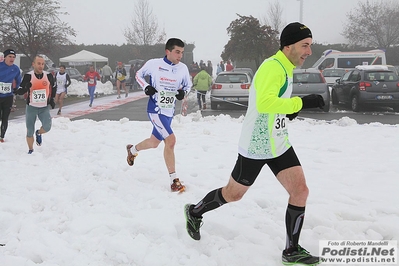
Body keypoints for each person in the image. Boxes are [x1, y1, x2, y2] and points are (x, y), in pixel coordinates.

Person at [184, 22, 325, 265]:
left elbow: (274, 102)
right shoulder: (273, 67)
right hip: (257, 145)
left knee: (300, 191)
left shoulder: (286, 66)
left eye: (310, 46)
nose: (309, 52)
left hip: (278, 143)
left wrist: (287, 112)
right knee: (233, 194)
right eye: (305, 46)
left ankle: (291, 251)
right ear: (288, 45)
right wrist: (300, 104)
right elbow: (265, 103)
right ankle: (195, 212)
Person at [126, 38, 192, 192]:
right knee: (171, 141)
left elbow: (188, 85)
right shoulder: (154, 64)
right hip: (155, 110)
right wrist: (146, 87)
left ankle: (132, 150)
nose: (180, 55)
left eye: (182, 52)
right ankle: (174, 180)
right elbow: (138, 75)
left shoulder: (183, 68)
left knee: (154, 142)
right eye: (177, 52)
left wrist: (183, 92)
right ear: (167, 51)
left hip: (169, 111)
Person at [14, 55, 56, 154]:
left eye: (42, 64)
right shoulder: (28, 76)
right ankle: (31, 150)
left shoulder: (48, 75)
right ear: (33, 64)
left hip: (44, 107)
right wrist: (25, 88)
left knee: (47, 127)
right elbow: (20, 91)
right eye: (38, 64)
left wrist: (51, 99)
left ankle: (39, 133)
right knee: (29, 130)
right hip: (31, 107)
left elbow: (53, 87)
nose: (41, 66)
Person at [0, 49, 22, 142]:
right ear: (5, 57)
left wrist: (16, 88)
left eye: (13, 57)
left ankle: (2, 136)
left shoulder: (16, 69)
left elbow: (18, 80)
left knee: (5, 117)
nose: (12, 58)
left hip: (8, 96)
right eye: (10, 56)